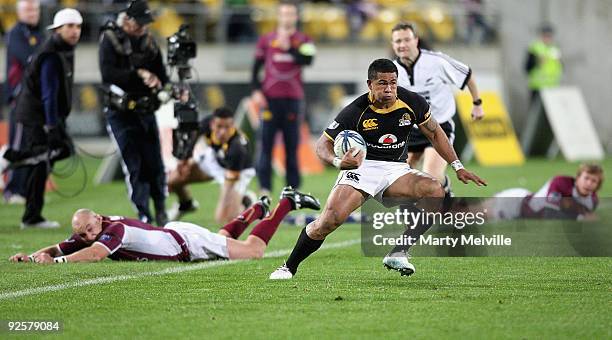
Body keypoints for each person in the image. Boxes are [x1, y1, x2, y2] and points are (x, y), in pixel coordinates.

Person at [269, 59, 486, 280]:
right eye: (382, 83)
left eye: (393, 82)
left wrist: (457, 166)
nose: (389, 88)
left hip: (396, 170)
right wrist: (337, 162)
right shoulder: (355, 110)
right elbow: (322, 145)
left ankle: (399, 252)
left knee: (435, 190)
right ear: (370, 84)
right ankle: (288, 266)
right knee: (329, 221)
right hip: (362, 169)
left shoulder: (412, 102)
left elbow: (435, 133)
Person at [9, 188, 320, 264]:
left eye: (89, 229)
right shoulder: (94, 228)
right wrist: (33, 255)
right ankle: (255, 210)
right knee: (219, 239)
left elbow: (94, 254)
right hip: (179, 235)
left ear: (98, 219)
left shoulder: (112, 232)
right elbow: (62, 246)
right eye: (83, 233)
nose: (87, 235)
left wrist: (58, 262)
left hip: (184, 240)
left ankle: (286, 202)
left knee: (254, 252)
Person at [0, 8, 82, 229]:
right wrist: (52, 124)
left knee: (53, 155)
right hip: (37, 115)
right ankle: (11, 160)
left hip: (44, 114)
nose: (75, 31)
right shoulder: (51, 53)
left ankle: (31, 212)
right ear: (57, 29)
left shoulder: (64, 49)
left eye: (78, 26)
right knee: (46, 157)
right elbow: (48, 92)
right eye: (70, 26)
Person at [390, 22, 485, 196]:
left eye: (406, 40)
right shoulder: (391, 70)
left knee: (431, 177)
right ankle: (412, 213)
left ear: (416, 40)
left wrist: (477, 104)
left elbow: (467, 74)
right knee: (400, 179)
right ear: (392, 45)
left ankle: (445, 189)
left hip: (438, 127)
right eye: (397, 41)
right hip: (411, 129)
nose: (402, 45)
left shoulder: (436, 61)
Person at [99, 0, 169, 226]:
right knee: (134, 164)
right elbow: (108, 74)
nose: (143, 27)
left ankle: (160, 209)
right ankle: (144, 213)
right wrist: (138, 74)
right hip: (120, 112)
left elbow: (162, 73)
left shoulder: (148, 41)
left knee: (155, 164)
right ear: (127, 20)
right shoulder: (110, 39)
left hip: (145, 110)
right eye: (139, 23)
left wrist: (157, 80)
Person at [250, 0, 316, 195]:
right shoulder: (266, 40)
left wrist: (289, 48)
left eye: (290, 14)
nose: (287, 18)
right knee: (265, 147)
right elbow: (255, 70)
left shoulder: (304, 40)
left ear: (296, 17)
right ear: (279, 17)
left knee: (291, 147)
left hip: (293, 101)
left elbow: (308, 60)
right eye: (284, 14)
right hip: (269, 100)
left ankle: (292, 191)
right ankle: (264, 190)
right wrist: (256, 91)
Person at [167, 107, 256, 223]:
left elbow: (229, 183)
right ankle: (186, 204)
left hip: (238, 171)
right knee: (173, 180)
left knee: (223, 218)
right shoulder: (207, 123)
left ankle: (247, 203)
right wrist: (184, 161)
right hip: (214, 158)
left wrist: (225, 203)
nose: (223, 131)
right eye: (219, 126)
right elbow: (194, 137)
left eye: (227, 127)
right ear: (212, 124)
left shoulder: (237, 148)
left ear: (233, 125)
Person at [3, 0, 44, 204]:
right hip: (20, 98)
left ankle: (26, 190)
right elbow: (31, 59)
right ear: (19, 12)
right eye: (28, 9)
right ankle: (12, 189)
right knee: (17, 145)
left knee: (33, 146)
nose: (33, 13)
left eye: (35, 9)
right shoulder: (15, 33)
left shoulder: (40, 33)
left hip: (36, 99)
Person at [487, 164, 602, 221]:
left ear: (598, 185)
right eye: (586, 178)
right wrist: (581, 214)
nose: (589, 183)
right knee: (476, 213)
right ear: (577, 178)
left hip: (524, 215)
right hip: (517, 203)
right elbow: (553, 204)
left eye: (594, 181)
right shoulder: (561, 182)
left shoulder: (593, 201)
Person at [524, 24, 563, 104]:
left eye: (549, 36)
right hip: (538, 88)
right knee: (536, 114)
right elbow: (527, 68)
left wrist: (560, 62)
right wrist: (537, 62)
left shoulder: (555, 49)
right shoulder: (534, 48)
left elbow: (560, 67)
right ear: (541, 36)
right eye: (545, 35)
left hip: (552, 88)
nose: (547, 38)